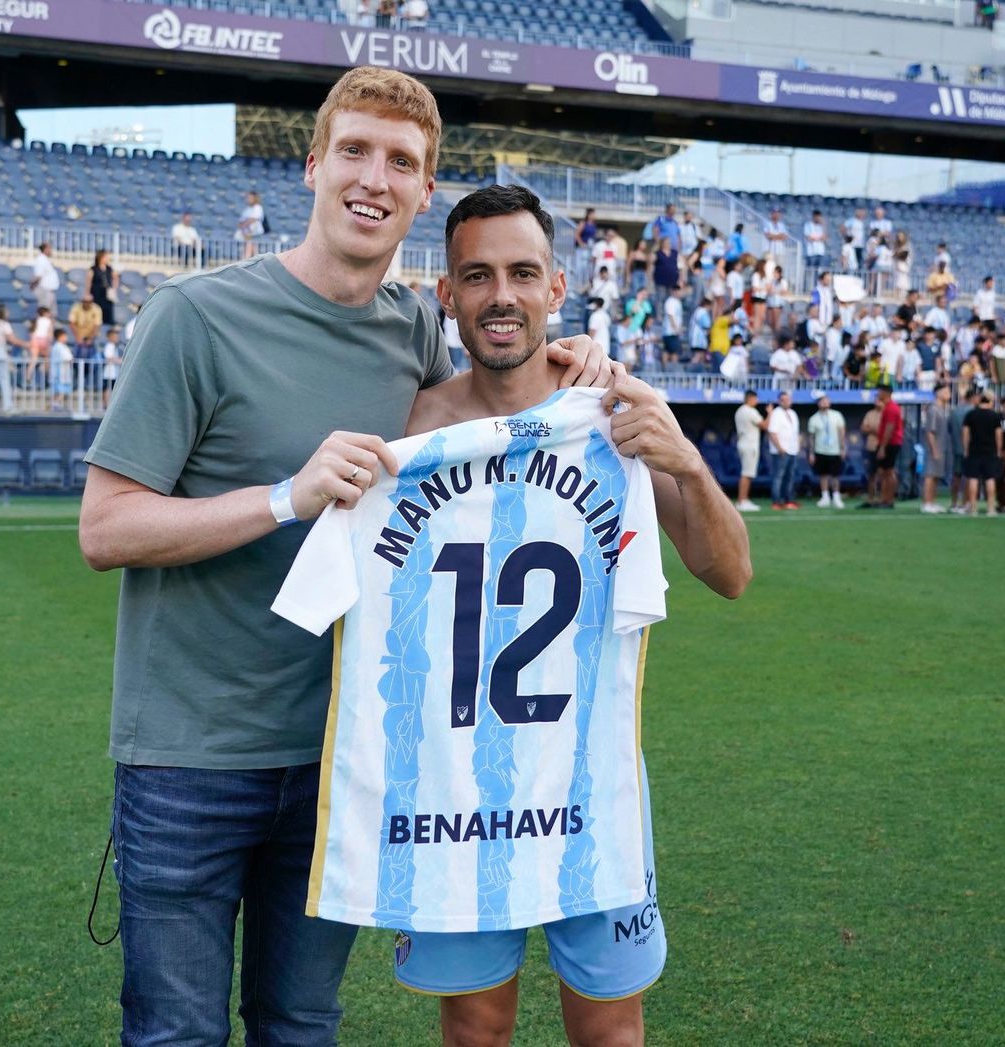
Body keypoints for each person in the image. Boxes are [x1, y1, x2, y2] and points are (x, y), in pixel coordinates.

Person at [76, 68, 611, 1047]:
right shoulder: (195, 317)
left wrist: (569, 372)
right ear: (314, 165)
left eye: (401, 162)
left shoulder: (412, 328)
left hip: (342, 758)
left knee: (301, 1026)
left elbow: (478, 443)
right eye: (356, 151)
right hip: (189, 760)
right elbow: (105, 528)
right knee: (174, 1036)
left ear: (421, 190)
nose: (375, 178)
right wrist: (286, 496)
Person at [362, 182, 750, 1047]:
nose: (502, 295)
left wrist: (685, 459)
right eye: (478, 275)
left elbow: (730, 574)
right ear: (448, 295)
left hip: (591, 786)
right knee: (474, 1028)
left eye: (522, 273)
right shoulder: (410, 433)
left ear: (556, 288)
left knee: (610, 1031)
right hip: (455, 789)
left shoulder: (613, 416)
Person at [962, 391, 1003, 516]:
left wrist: (965, 449)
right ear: (990, 401)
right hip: (990, 451)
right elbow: (998, 435)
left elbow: (965, 434)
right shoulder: (995, 416)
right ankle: (990, 508)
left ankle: (973, 508)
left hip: (974, 450)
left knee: (973, 479)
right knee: (990, 479)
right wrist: (999, 451)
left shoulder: (970, 414)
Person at [807, 394, 846, 508]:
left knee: (835, 475)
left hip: (835, 450)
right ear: (818, 403)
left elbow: (842, 433)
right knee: (823, 475)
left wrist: (843, 448)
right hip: (820, 450)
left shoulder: (837, 415)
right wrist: (811, 452)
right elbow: (811, 437)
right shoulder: (813, 418)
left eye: (826, 400)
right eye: (822, 401)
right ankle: (825, 497)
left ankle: (836, 496)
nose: (824, 403)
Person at [920, 382, 953, 514]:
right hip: (934, 448)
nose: (948, 394)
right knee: (930, 475)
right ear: (938, 393)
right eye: (945, 391)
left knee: (936, 476)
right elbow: (930, 431)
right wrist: (934, 449)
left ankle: (932, 501)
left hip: (941, 447)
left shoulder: (942, 409)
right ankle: (926, 502)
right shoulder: (933, 409)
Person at [766, 389, 801, 510]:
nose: (786, 402)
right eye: (783, 400)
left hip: (792, 450)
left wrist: (797, 447)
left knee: (790, 476)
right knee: (778, 476)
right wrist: (779, 448)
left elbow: (795, 433)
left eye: (788, 399)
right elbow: (772, 432)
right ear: (779, 401)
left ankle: (788, 500)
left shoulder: (793, 413)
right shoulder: (776, 413)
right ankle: (776, 501)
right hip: (780, 450)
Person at [734, 389, 766, 511]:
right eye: (756, 398)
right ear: (750, 398)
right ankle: (742, 500)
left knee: (747, 473)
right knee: (747, 473)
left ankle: (744, 499)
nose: (757, 401)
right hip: (750, 445)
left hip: (743, 443)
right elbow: (765, 425)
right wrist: (770, 413)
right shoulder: (751, 411)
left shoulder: (739, 411)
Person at [86, 249, 118, 327]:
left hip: (106, 296)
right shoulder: (93, 269)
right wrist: (87, 293)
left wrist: (113, 288)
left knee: (107, 314)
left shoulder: (109, 269)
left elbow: (116, 278)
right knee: (97, 314)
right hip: (97, 294)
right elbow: (88, 282)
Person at [30, 241, 60, 314]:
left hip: (50, 291)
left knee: (52, 314)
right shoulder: (41, 260)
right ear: (45, 249)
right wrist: (32, 285)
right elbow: (38, 276)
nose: (51, 250)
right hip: (45, 291)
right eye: (49, 248)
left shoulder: (46, 260)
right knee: (44, 313)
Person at [49, 328, 74, 411]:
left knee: (61, 390)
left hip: (63, 372)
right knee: (59, 390)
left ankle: (57, 404)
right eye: (64, 336)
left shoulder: (62, 347)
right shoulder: (58, 347)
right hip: (60, 373)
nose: (66, 338)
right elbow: (68, 358)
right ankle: (55, 404)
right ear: (60, 337)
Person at [237, 189, 266, 259]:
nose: (249, 199)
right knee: (252, 247)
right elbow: (241, 220)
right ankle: (251, 260)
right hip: (247, 231)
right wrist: (242, 226)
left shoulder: (258, 207)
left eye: (251, 198)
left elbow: (254, 219)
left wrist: (244, 225)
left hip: (253, 231)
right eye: (248, 198)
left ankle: (246, 261)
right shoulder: (248, 208)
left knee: (250, 246)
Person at [101, 326, 124, 409]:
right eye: (114, 336)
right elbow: (109, 357)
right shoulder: (109, 346)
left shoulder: (116, 346)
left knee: (112, 388)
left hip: (114, 372)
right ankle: (106, 404)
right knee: (107, 388)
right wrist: (120, 360)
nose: (116, 338)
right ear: (109, 337)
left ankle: (108, 404)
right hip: (109, 372)